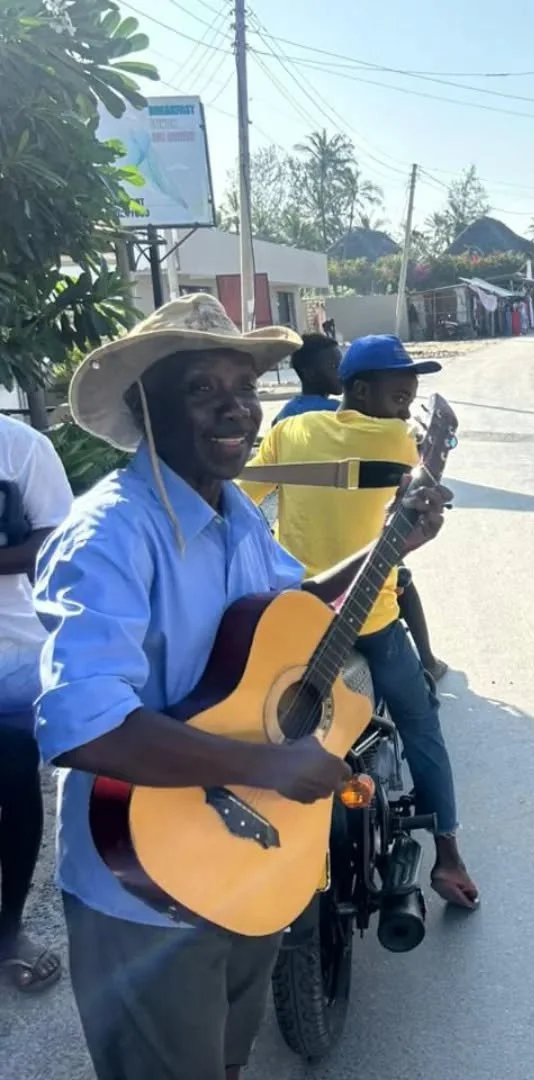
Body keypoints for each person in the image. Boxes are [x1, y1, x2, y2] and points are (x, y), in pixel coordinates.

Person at [32, 295, 450, 1078]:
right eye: (201, 388)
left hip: (248, 860)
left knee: (225, 1064)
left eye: (244, 386)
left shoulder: (238, 515)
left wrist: (392, 544)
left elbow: (298, 612)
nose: (235, 409)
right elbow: (86, 726)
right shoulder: (108, 538)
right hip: (145, 888)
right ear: (144, 407)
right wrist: (265, 767)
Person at [240, 334, 478, 911]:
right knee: (421, 723)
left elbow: (247, 503)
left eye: (409, 398)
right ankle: (447, 855)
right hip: (371, 618)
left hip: (298, 617)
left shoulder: (291, 431)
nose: (404, 407)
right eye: (399, 396)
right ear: (363, 390)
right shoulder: (401, 443)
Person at [0, 414, 72, 992]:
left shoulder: (19, 445)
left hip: (14, 661)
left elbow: (55, 537)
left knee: (15, 789)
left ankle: (9, 931)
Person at [272, 332, 343, 426]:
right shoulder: (337, 412)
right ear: (310, 374)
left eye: (342, 365)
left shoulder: (287, 410)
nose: (342, 372)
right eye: (334, 366)